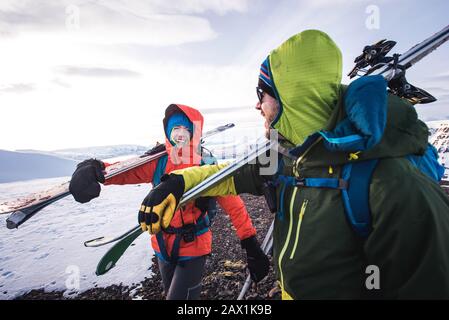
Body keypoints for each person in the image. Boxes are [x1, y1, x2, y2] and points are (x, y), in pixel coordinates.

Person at [136, 30, 449, 299]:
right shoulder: (291, 154)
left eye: (263, 94)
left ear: (292, 98)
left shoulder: (394, 184)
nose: (257, 105)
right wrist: (179, 183)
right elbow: (230, 175)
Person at [69, 104, 269, 300]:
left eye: (185, 129)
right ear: (167, 132)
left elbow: (234, 205)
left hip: (194, 244)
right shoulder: (159, 162)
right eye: (175, 129)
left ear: (194, 132)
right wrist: (97, 168)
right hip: (161, 245)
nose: (180, 134)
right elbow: (127, 171)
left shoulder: (206, 165)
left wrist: (249, 241)